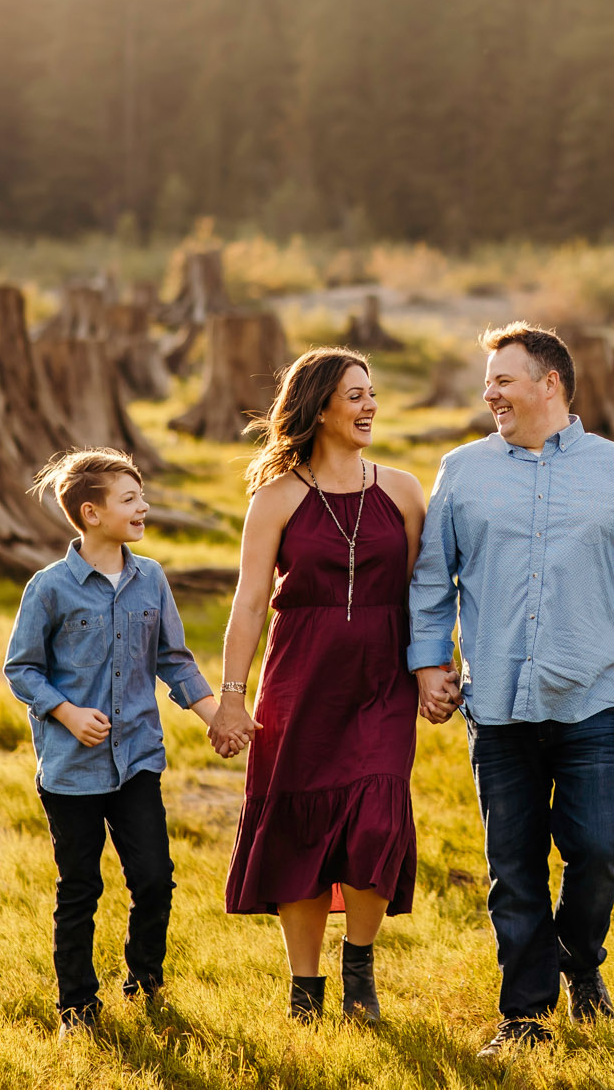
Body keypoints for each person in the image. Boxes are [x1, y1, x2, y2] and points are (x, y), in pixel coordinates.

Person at [408, 322, 614, 1058]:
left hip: (593, 692)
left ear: (549, 383)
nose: (489, 391)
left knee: (598, 848)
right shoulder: (461, 470)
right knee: (514, 864)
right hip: (495, 696)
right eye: (488, 380)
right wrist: (431, 664)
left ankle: (581, 960)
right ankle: (525, 1013)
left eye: (502, 378)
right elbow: (434, 579)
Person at [209, 348, 430, 1023]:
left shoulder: (401, 490)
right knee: (299, 829)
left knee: (378, 814)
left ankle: (358, 969)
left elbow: (425, 594)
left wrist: (435, 669)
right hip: (300, 682)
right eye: (354, 395)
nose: (368, 406)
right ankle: (305, 990)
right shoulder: (276, 497)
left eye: (371, 393)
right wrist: (231, 694)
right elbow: (249, 603)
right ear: (319, 408)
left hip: (383, 683)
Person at [4, 448, 224, 1033]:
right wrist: (68, 713)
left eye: (141, 495)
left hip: (137, 761)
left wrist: (214, 715)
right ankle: (76, 1004)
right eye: (130, 499)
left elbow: (173, 659)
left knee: (154, 878)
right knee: (80, 887)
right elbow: (22, 670)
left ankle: (145, 983)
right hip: (72, 768)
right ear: (91, 513)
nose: (143, 506)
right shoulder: (49, 588)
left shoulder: (150, 578)